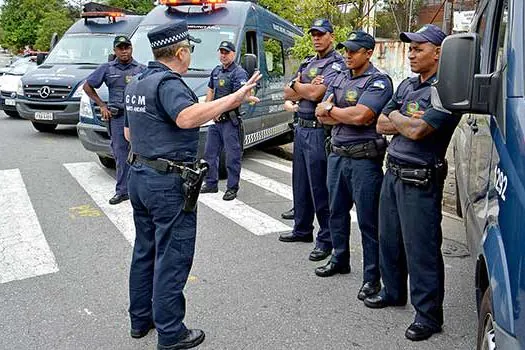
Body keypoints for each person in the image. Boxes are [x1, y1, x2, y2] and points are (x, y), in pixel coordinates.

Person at [123, 20, 261, 350]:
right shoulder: (169, 83)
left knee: (145, 250)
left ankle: (141, 320)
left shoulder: (137, 82)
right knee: (172, 256)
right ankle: (171, 333)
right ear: (181, 52)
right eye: (191, 49)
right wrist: (236, 97)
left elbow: (129, 134)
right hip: (166, 183)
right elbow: (187, 118)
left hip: (139, 176)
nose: (191, 55)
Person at [362, 25, 456, 342]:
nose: (412, 53)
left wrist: (400, 121)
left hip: (421, 178)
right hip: (394, 172)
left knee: (421, 250)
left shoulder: (446, 89)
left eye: (419, 48)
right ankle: (393, 292)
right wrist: (406, 120)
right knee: (389, 240)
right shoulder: (406, 85)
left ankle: (428, 316)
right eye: (411, 48)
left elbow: (418, 132)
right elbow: (380, 121)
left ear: (438, 52)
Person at [314, 31, 393, 303]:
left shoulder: (379, 82)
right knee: (335, 211)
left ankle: (372, 277)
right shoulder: (338, 77)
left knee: (369, 222)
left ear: (368, 53)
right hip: (337, 156)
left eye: (354, 50)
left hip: (364, 160)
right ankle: (339, 258)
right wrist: (334, 113)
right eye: (346, 50)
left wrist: (333, 112)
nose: (348, 54)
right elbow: (319, 114)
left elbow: (362, 116)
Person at [279, 19, 345, 262]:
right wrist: (302, 86)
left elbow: (318, 94)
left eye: (321, 34)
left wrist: (299, 85)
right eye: (313, 34)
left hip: (319, 131)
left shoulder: (336, 64)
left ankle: (326, 240)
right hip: (301, 128)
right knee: (301, 184)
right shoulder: (308, 62)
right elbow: (287, 93)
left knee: (320, 188)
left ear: (331, 35)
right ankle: (302, 229)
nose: (316, 38)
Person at [84, 35, 145, 205]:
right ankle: (122, 191)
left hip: (136, 118)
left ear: (131, 48)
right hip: (117, 118)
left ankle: (140, 192)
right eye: (120, 48)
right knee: (120, 155)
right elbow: (87, 86)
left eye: (127, 47)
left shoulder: (141, 69)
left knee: (141, 154)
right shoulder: (107, 68)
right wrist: (102, 105)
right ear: (115, 50)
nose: (124, 51)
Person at [200, 41, 248, 201]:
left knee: (232, 156)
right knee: (209, 154)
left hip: (229, 121)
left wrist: (219, 110)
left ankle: (232, 188)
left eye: (226, 52)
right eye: (221, 51)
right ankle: (211, 183)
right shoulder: (216, 71)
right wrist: (208, 110)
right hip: (215, 121)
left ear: (233, 54)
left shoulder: (239, 73)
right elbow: (210, 91)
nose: (223, 55)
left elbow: (238, 98)